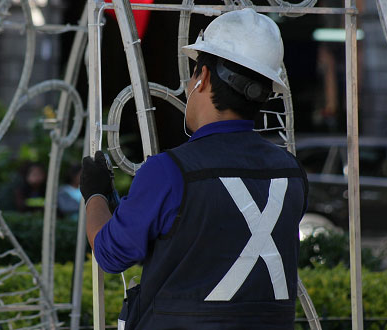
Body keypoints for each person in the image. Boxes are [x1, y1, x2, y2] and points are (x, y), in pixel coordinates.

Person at [80, 8, 308, 330]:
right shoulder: (291, 173)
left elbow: (111, 253)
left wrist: (96, 195)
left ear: (202, 78)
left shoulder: (169, 172)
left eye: (192, 74)